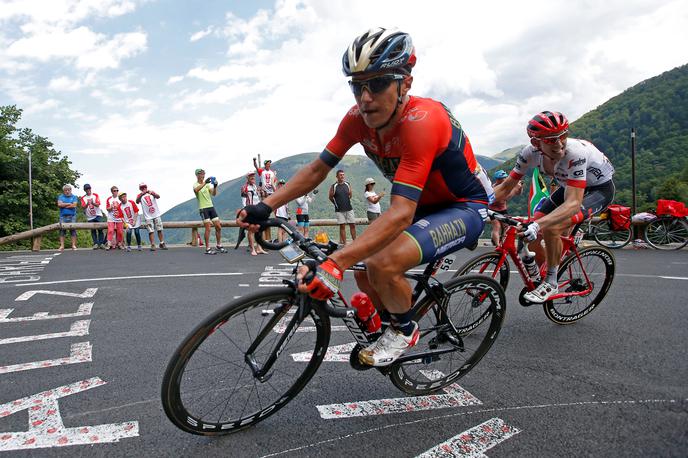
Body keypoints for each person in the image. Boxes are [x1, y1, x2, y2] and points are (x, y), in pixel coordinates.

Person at [238, 28, 492, 366]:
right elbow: (318, 170)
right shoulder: (358, 120)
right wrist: (265, 205)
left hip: (464, 206)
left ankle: (403, 330)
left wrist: (334, 262)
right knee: (363, 269)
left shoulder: (424, 121)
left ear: (406, 84)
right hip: (421, 206)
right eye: (357, 86)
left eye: (378, 83)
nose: (365, 97)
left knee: (381, 263)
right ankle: (389, 321)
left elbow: (401, 212)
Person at [494, 111, 615, 303]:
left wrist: (538, 225)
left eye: (563, 136)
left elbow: (573, 203)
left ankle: (551, 282)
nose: (559, 144)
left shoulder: (574, 153)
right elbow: (506, 187)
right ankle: (549, 270)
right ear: (536, 143)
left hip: (597, 190)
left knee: (551, 227)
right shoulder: (528, 154)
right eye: (551, 140)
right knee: (529, 230)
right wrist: (479, 205)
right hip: (569, 185)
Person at [193, 168, 226, 255]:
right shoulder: (195, 185)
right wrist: (205, 183)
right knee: (208, 228)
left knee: (218, 226)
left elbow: (214, 194)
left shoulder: (207, 185)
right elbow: (196, 190)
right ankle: (207, 248)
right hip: (203, 209)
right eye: (200, 174)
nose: (202, 175)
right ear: (197, 175)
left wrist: (215, 186)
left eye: (203, 174)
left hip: (211, 207)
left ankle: (218, 245)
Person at [488, 170, 523, 246]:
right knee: (497, 226)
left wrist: (520, 187)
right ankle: (497, 245)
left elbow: (518, 193)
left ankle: (501, 242)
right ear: (498, 179)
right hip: (493, 210)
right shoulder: (494, 188)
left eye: (505, 177)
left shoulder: (507, 187)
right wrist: (514, 189)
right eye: (503, 178)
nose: (505, 179)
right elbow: (500, 198)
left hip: (503, 210)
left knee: (506, 227)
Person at [240, 172, 266, 255]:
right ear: (247, 178)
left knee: (259, 229)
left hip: (257, 210)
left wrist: (261, 193)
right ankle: (253, 249)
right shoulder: (244, 187)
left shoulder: (255, 186)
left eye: (253, 176)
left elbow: (258, 198)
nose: (253, 177)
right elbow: (244, 201)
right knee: (251, 230)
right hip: (250, 210)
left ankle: (259, 248)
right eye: (251, 176)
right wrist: (246, 211)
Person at [136, 182, 168, 251]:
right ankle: (153, 244)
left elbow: (158, 196)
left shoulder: (151, 192)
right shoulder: (140, 195)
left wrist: (152, 193)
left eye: (144, 187)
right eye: (142, 187)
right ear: (140, 189)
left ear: (146, 187)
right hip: (148, 216)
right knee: (151, 231)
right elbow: (137, 201)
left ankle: (162, 243)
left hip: (156, 214)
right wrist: (142, 194)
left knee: (159, 229)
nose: (144, 188)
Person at [329, 169, 356, 244]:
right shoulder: (334, 186)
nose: (342, 176)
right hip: (339, 210)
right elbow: (330, 197)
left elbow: (350, 194)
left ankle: (355, 242)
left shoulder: (347, 184)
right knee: (342, 226)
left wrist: (346, 201)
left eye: (343, 174)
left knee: (353, 225)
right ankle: (345, 244)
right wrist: (336, 204)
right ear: (337, 176)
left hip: (349, 208)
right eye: (340, 175)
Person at [253, 158, 277, 243]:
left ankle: (270, 216)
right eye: (267, 163)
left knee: (270, 209)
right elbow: (256, 167)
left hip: (271, 192)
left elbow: (274, 183)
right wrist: (255, 161)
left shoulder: (272, 172)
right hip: (264, 192)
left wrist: (276, 191)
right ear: (265, 164)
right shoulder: (262, 172)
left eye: (270, 163)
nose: (269, 165)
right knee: (264, 207)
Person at [80, 184, 105, 249]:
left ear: (90, 189)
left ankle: (101, 243)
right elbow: (83, 207)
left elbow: (98, 204)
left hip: (98, 215)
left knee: (100, 229)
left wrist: (93, 203)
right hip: (89, 216)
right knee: (93, 230)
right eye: (86, 189)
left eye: (89, 188)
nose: (88, 190)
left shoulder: (95, 195)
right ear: (85, 190)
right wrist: (87, 204)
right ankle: (95, 243)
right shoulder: (83, 198)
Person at [57, 184, 78, 251]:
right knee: (62, 231)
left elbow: (74, 205)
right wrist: (69, 204)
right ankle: (62, 246)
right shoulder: (61, 196)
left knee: (73, 231)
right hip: (63, 216)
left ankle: (73, 245)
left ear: (70, 190)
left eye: (68, 190)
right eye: (66, 190)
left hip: (72, 216)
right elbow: (59, 204)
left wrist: (64, 205)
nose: (67, 191)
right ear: (64, 191)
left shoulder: (74, 197)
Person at [105, 186, 124, 250]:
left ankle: (119, 244)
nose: (116, 192)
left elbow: (123, 207)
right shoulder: (109, 199)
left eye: (117, 190)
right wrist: (111, 207)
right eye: (114, 191)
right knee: (110, 230)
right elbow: (107, 209)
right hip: (111, 217)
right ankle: (109, 244)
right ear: (112, 192)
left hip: (119, 217)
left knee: (120, 232)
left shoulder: (120, 198)